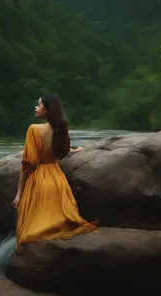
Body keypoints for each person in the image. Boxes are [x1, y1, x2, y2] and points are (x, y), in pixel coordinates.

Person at [12, 94, 98, 251]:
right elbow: (61, 151)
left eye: (38, 105)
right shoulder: (61, 128)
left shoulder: (33, 130)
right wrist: (75, 150)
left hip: (39, 180)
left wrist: (19, 194)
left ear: (47, 110)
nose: (35, 108)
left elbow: (28, 164)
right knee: (57, 220)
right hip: (57, 179)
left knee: (33, 227)